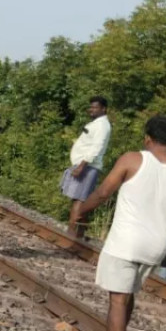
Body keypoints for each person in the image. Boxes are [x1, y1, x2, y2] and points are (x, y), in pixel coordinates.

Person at [77, 115, 166, 331]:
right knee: (128, 294)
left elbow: (103, 193)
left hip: (126, 242)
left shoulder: (133, 159)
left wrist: (80, 210)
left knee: (118, 300)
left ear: (148, 138)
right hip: (157, 247)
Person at [61, 96, 112, 238]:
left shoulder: (102, 125)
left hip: (88, 166)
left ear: (103, 109)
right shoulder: (97, 124)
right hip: (84, 165)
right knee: (79, 198)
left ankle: (71, 233)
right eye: (91, 107)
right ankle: (79, 234)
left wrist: (82, 165)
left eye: (95, 107)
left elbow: (97, 147)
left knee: (79, 199)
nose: (92, 110)